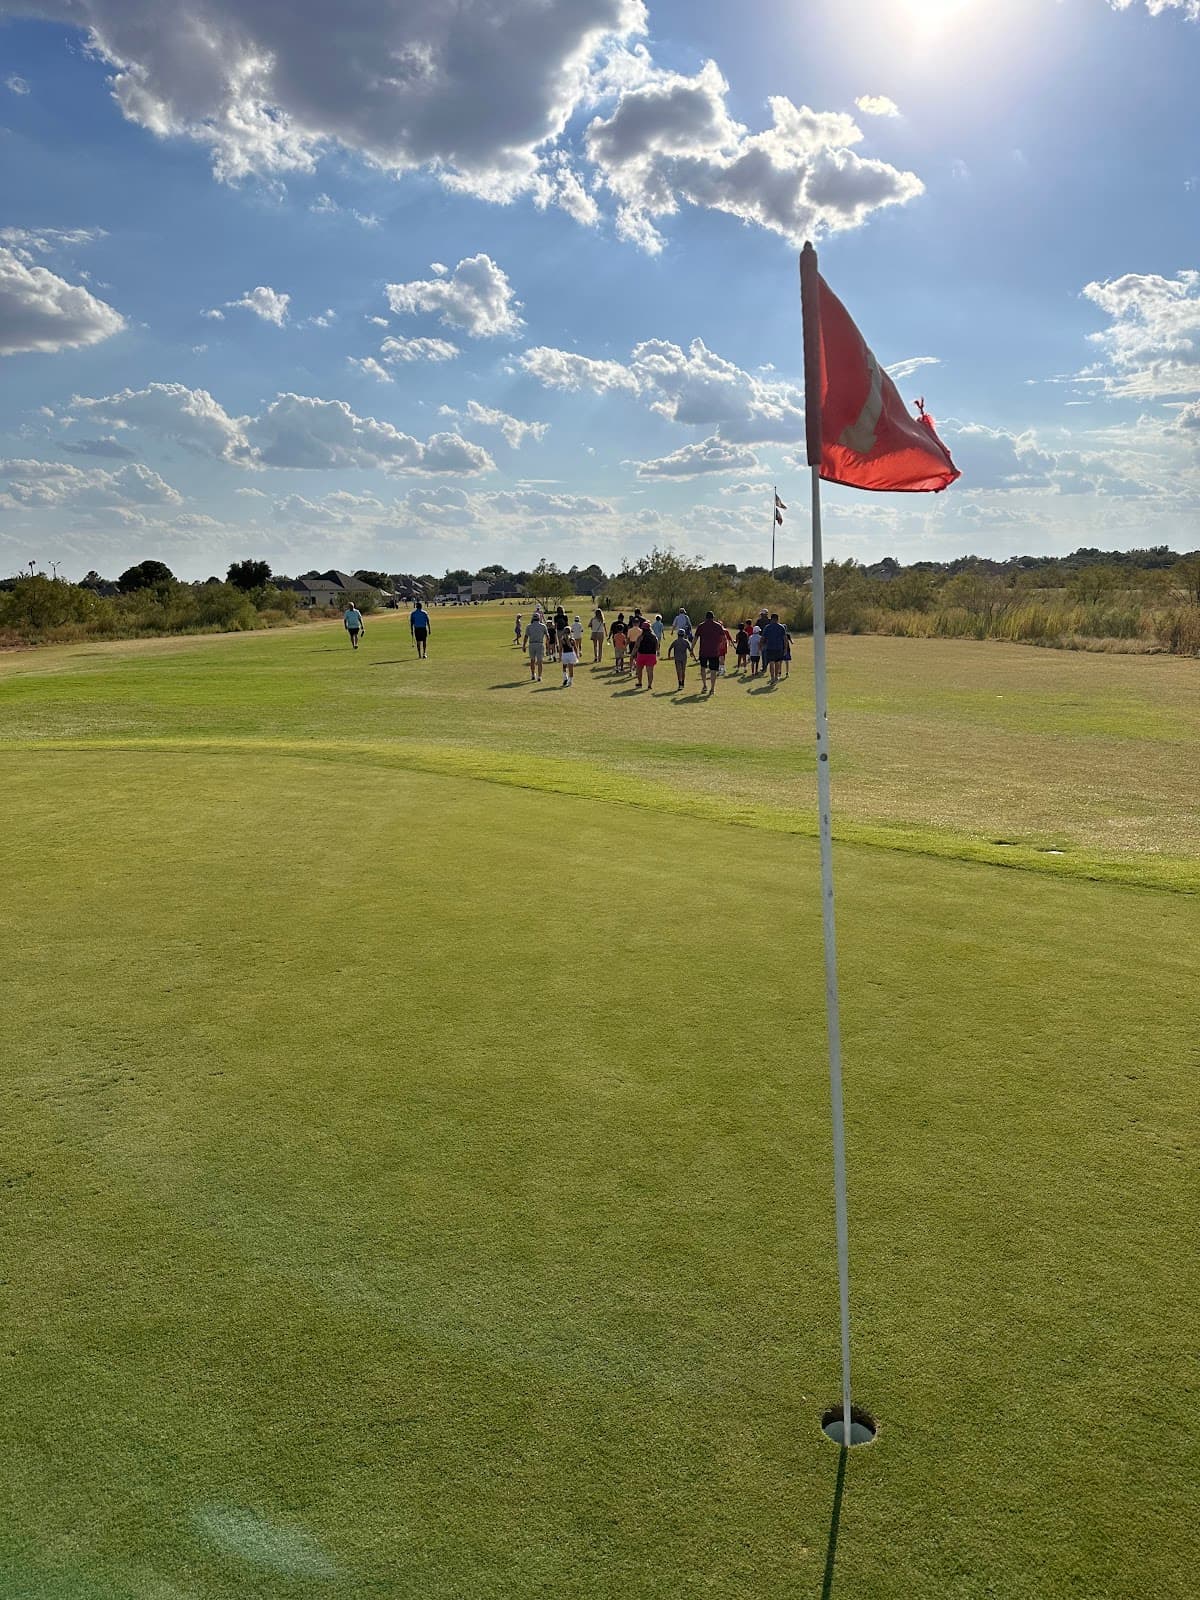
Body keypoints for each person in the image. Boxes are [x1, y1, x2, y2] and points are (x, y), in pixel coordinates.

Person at [694, 610, 727, 696]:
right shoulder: (718, 626)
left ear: (706, 617)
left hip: (703, 651)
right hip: (714, 652)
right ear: (713, 617)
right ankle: (712, 688)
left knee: (703, 668)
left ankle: (704, 685)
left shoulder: (701, 626)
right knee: (713, 670)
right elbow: (724, 638)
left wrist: (691, 648)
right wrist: (720, 646)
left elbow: (695, 638)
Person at [761, 612, 789, 684]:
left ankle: (772, 677)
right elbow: (785, 639)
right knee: (777, 663)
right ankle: (776, 677)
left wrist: (761, 646)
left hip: (770, 647)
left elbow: (763, 638)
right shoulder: (781, 627)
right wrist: (785, 648)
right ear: (777, 619)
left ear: (771, 619)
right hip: (779, 648)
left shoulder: (767, 627)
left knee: (771, 663)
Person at [634, 618, 658, 688]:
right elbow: (657, 647)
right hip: (651, 655)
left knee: (639, 670)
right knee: (650, 671)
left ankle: (640, 683)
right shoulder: (654, 637)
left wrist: (632, 655)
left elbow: (636, 646)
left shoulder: (640, 637)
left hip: (641, 654)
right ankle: (649, 685)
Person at [523, 613, 548, 681]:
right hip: (540, 644)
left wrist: (524, 645)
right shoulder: (543, 626)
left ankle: (533, 674)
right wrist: (547, 645)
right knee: (540, 661)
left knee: (532, 660)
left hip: (532, 644)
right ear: (539, 618)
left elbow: (526, 636)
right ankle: (539, 676)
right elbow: (547, 636)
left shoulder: (529, 626)